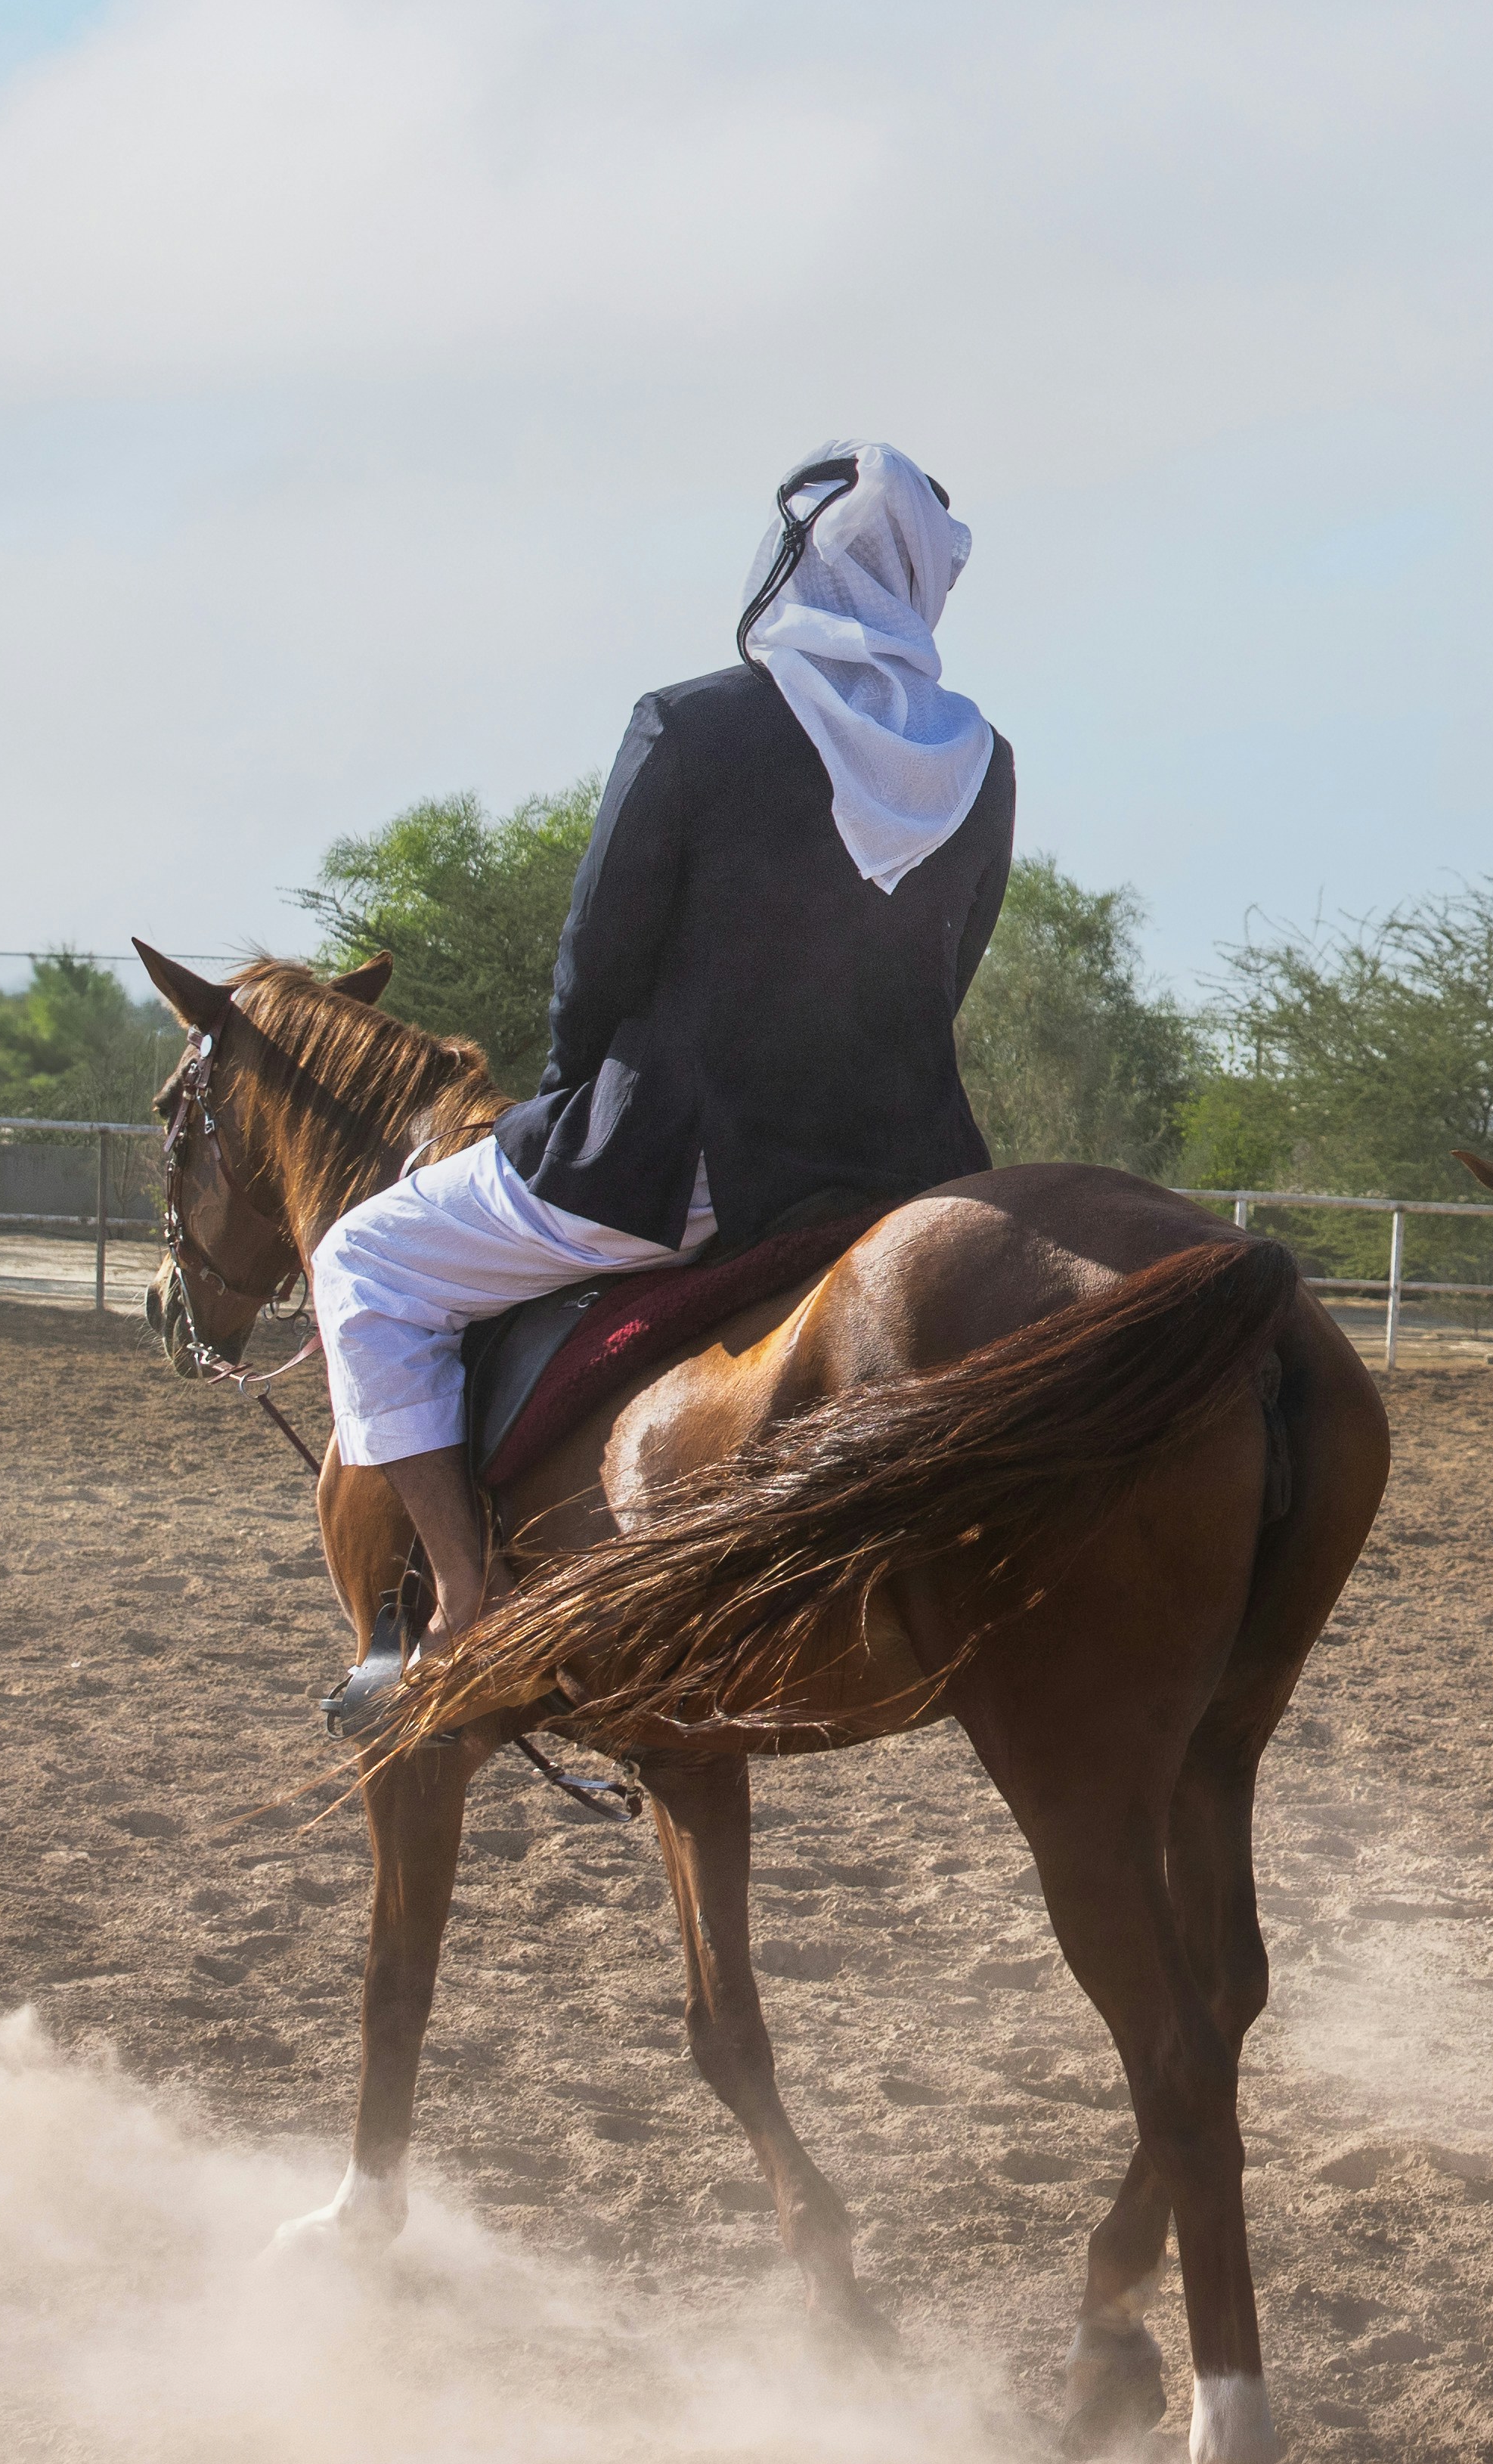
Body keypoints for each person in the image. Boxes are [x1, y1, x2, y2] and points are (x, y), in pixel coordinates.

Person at [309, 441, 1015, 1677]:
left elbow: (596, 961)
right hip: (895, 1176)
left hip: (674, 1171)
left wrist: (572, 1099)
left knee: (362, 1255)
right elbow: (944, 977)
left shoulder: (690, 725)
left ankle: (465, 1596)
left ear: (798, 559)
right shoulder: (980, 760)